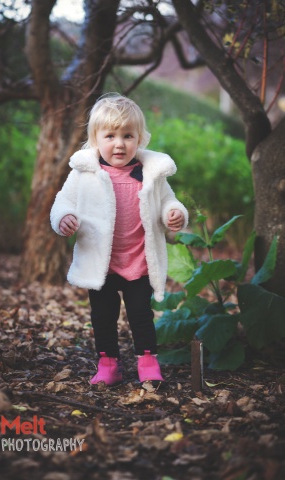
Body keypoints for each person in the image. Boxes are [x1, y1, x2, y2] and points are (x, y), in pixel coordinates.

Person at [50, 94, 188, 386]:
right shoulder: (85, 173)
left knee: (141, 315)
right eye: (110, 135)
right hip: (102, 263)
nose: (119, 143)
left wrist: (174, 213)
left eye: (128, 135)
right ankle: (108, 364)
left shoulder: (150, 173)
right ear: (96, 139)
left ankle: (148, 362)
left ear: (139, 139)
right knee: (102, 317)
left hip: (138, 261)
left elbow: (167, 201)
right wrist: (64, 218)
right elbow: (63, 201)